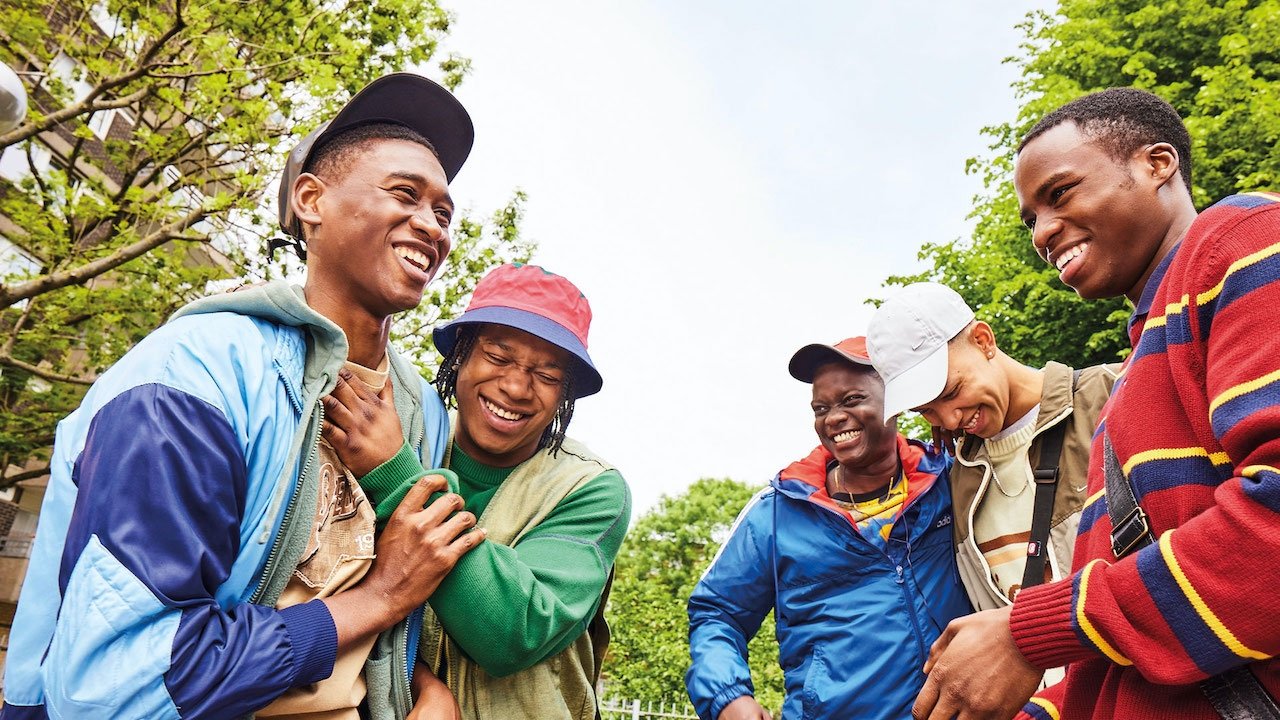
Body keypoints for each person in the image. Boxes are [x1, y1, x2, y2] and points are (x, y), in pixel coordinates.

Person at [1, 73, 486, 719]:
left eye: (443, 213)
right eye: (405, 194)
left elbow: (355, 587)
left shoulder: (423, 410)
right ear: (311, 200)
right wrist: (381, 597)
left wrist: (423, 686)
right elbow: (119, 687)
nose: (430, 226)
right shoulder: (192, 374)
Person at [913, 87, 1280, 720]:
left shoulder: (1245, 240)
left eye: (1059, 194)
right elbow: (1136, 651)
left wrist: (1030, 631)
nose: (1042, 232)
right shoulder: (1134, 376)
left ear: (1157, 164)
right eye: (1030, 219)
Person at [324, 262, 631, 720]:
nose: (516, 387)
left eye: (547, 376)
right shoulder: (407, 434)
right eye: (498, 357)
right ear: (461, 355)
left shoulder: (591, 488)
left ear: (565, 394)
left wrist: (394, 474)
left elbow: (514, 633)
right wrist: (422, 682)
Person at [685, 337, 971, 720]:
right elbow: (717, 612)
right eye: (821, 408)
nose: (833, 418)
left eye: (852, 400)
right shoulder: (777, 513)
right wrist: (727, 697)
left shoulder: (950, 479)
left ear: (895, 399)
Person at [868, 282, 1115, 610]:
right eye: (926, 410)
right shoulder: (959, 475)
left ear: (983, 341)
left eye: (952, 392)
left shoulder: (1109, 395)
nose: (949, 420)